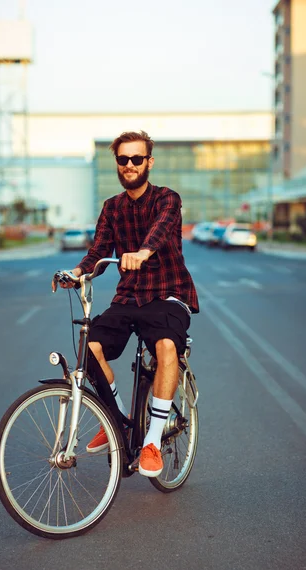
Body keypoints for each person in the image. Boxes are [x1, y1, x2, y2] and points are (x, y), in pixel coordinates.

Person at [61, 130, 199, 477]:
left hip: (168, 293)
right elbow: (99, 251)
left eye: (137, 158)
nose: (130, 165)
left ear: (148, 162)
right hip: (129, 296)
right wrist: (76, 272)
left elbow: (161, 230)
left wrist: (143, 252)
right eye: (123, 159)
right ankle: (119, 421)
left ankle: (152, 440)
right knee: (88, 349)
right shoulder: (112, 208)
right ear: (117, 164)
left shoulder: (167, 199)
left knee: (166, 346)